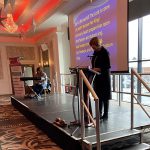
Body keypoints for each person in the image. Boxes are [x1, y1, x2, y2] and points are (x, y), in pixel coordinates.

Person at [89, 37, 111, 120]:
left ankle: (105, 115)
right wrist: (93, 69)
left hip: (104, 78)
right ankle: (99, 114)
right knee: (98, 96)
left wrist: (98, 68)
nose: (93, 48)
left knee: (105, 97)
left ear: (98, 45)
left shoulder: (105, 52)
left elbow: (108, 66)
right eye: (92, 47)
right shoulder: (95, 52)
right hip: (97, 77)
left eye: (94, 47)